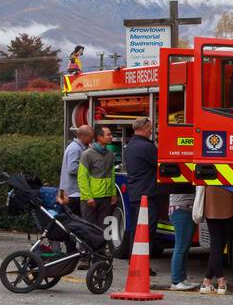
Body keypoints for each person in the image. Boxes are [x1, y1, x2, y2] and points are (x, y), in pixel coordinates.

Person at [122, 117, 163, 262]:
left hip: (135, 193)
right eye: (150, 129)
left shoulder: (130, 146)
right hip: (147, 194)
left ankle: (134, 260)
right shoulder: (147, 147)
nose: (151, 132)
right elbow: (160, 164)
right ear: (145, 128)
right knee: (147, 231)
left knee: (136, 229)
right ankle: (143, 263)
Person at [199, 185, 233, 295]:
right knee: (220, 245)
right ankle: (220, 282)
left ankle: (207, 282)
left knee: (216, 245)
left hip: (211, 198)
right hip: (230, 197)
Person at [78, 126, 118, 237]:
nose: (111, 137)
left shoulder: (110, 154)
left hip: (105, 198)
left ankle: (99, 253)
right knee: (88, 228)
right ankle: (86, 252)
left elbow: (112, 174)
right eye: (108, 135)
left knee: (103, 229)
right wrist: (88, 197)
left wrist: (113, 192)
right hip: (91, 199)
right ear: (99, 137)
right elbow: (82, 177)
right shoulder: (87, 154)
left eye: (111, 134)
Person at [56, 124, 93, 219]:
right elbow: (72, 169)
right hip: (74, 193)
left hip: (72, 193)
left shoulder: (77, 147)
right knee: (76, 221)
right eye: (90, 137)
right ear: (83, 136)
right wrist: (91, 170)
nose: (92, 140)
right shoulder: (75, 149)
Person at [167, 187, 198, 291]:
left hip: (183, 209)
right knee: (180, 248)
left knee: (184, 248)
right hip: (182, 209)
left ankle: (182, 279)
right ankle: (176, 281)